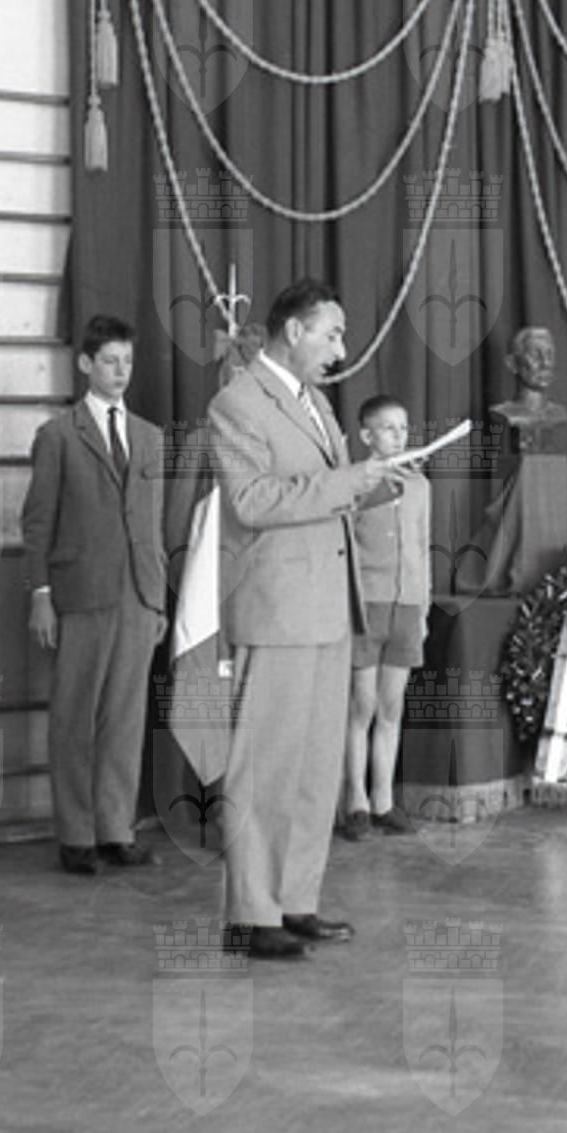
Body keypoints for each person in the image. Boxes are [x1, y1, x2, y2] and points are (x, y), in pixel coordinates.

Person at [208, 278, 398, 960]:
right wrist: (348, 482)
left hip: (327, 608)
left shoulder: (316, 404)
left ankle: (295, 900)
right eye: (332, 334)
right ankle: (250, 913)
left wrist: (376, 486)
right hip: (277, 610)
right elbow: (252, 501)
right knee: (264, 767)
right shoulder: (237, 403)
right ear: (293, 331)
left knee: (316, 769)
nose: (340, 349)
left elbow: (321, 499)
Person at [21, 313, 167, 876]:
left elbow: (152, 525)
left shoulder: (150, 437)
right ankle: (76, 835)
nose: (120, 371)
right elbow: (38, 522)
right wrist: (41, 593)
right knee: (75, 716)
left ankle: (115, 830)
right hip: (80, 593)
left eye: (127, 361)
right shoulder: (58, 436)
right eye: (109, 361)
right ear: (86, 364)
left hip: (138, 593)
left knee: (125, 718)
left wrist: (156, 599)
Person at [341, 394, 431, 838]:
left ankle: (383, 801)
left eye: (403, 427)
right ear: (366, 436)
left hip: (406, 607)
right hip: (366, 606)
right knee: (362, 705)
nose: (398, 435)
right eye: (388, 428)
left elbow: (423, 546)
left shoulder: (420, 485)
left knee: (391, 706)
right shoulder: (354, 484)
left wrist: (423, 607)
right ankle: (355, 801)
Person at [461, 326, 567, 596]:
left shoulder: (558, 413)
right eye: (535, 354)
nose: (545, 362)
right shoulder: (505, 413)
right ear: (513, 364)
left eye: (550, 354)